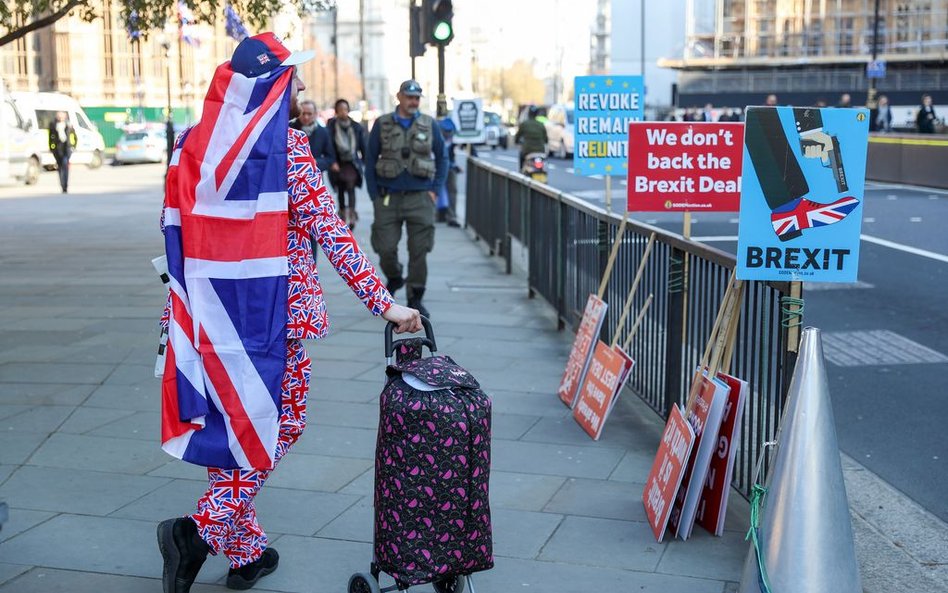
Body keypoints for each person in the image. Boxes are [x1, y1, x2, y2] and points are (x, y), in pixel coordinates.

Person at [155, 33, 421, 593]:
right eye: (291, 76)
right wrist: (386, 305)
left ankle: (248, 552)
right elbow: (335, 234)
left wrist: (173, 322)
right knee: (277, 428)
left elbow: (176, 234)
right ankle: (195, 533)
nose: (300, 85)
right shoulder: (289, 153)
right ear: (270, 85)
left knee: (231, 432)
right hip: (275, 325)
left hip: (207, 321)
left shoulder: (188, 145)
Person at [365, 79, 448, 319]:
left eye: (417, 98)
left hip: (420, 197)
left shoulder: (428, 124)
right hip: (388, 197)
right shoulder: (382, 124)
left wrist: (434, 189)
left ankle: (415, 298)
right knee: (385, 246)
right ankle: (394, 275)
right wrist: (374, 195)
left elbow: (443, 158)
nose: (413, 101)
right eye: (409, 97)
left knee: (419, 250)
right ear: (399, 97)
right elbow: (370, 160)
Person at [326, 98, 367, 230]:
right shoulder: (331, 126)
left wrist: (365, 162)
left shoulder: (355, 126)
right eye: (340, 109)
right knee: (341, 189)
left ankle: (352, 215)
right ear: (336, 111)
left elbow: (362, 145)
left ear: (348, 110)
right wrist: (332, 162)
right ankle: (343, 214)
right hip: (338, 163)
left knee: (351, 187)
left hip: (352, 163)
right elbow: (329, 146)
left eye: (345, 109)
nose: (343, 112)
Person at [290, 99, 336, 174]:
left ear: (315, 114)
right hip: (292, 174)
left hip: (314, 176)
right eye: (303, 113)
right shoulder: (290, 129)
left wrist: (315, 162)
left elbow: (330, 158)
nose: (306, 117)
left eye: (309, 114)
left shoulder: (323, 132)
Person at [437, 116, 462, 227]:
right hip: (438, 166)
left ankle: (450, 216)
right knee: (437, 190)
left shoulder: (452, 139)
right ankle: (439, 214)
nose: (448, 134)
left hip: (449, 167)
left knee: (451, 191)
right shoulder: (437, 138)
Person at [48, 111, 77, 193]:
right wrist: (51, 148)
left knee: (65, 165)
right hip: (57, 149)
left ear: (65, 117)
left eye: (62, 117)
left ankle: (65, 185)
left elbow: (75, 137)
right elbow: (50, 137)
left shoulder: (69, 125)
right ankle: (62, 184)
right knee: (60, 167)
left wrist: (73, 147)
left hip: (66, 149)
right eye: (59, 117)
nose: (60, 118)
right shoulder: (53, 125)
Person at [515, 105, 547, 170]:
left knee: (522, 157)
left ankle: (521, 171)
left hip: (527, 150)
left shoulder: (524, 124)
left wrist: (516, 141)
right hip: (540, 150)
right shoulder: (541, 125)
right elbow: (546, 139)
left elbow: (517, 136)